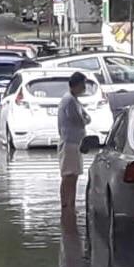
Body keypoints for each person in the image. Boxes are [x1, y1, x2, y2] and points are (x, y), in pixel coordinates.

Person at [57, 72, 91, 210]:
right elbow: (81, 120)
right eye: (83, 84)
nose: (85, 87)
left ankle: (70, 204)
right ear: (77, 84)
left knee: (73, 175)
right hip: (70, 143)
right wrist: (85, 119)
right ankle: (66, 204)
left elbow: (87, 117)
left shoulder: (74, 100)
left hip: (75, 143)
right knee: (68, 176)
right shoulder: (69, 100)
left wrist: (85, 118)